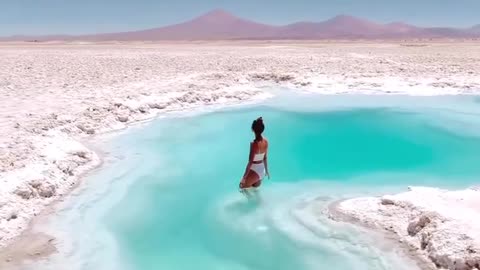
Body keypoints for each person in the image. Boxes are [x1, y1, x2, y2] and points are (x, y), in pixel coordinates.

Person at [240, 117, 270, 190]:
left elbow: (250, 162)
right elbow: (265, 158)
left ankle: (252, 200)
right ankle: (258, 200)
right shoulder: (266, 141)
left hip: (255, 170)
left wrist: (244, 178)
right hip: (261, 170)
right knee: (254, 189)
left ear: (252, 129)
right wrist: (266, 171)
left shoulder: (253, 144)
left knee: (241, 187)